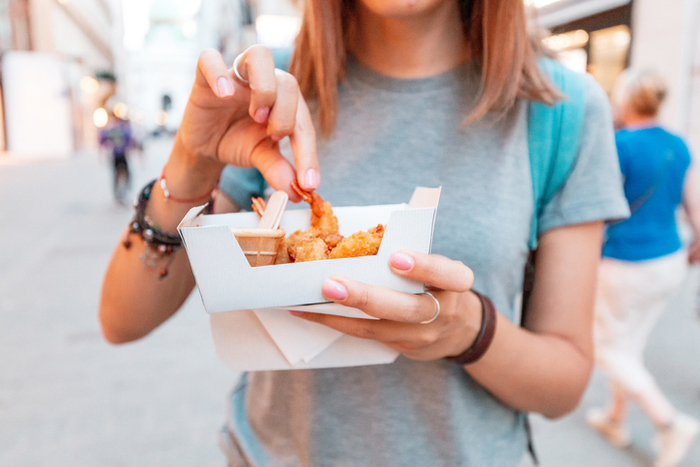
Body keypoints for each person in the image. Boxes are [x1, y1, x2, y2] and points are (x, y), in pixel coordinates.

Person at [99, 1, 630, 465]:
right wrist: (192, 162)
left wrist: (468, 328)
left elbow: (563, 384)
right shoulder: (268, 94)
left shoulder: (563, 109)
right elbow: (123, 319)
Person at [585, 69, 700, 467]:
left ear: (626, 99)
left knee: (607, 347)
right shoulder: (678, 144)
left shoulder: (620, 145)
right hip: (670, 259)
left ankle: (668, 423)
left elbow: (600, 209)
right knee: (629, 344)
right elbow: (692, 202)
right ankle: (616, 419)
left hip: (625, 264)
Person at [99, 113, 136, 205]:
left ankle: (122, 194)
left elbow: (129, 140)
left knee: (124, 175)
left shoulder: (113, 130)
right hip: (117, 156)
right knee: (118, 175)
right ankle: (119, 195)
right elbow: (102, 141)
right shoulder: (115, 130)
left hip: (120, 155)